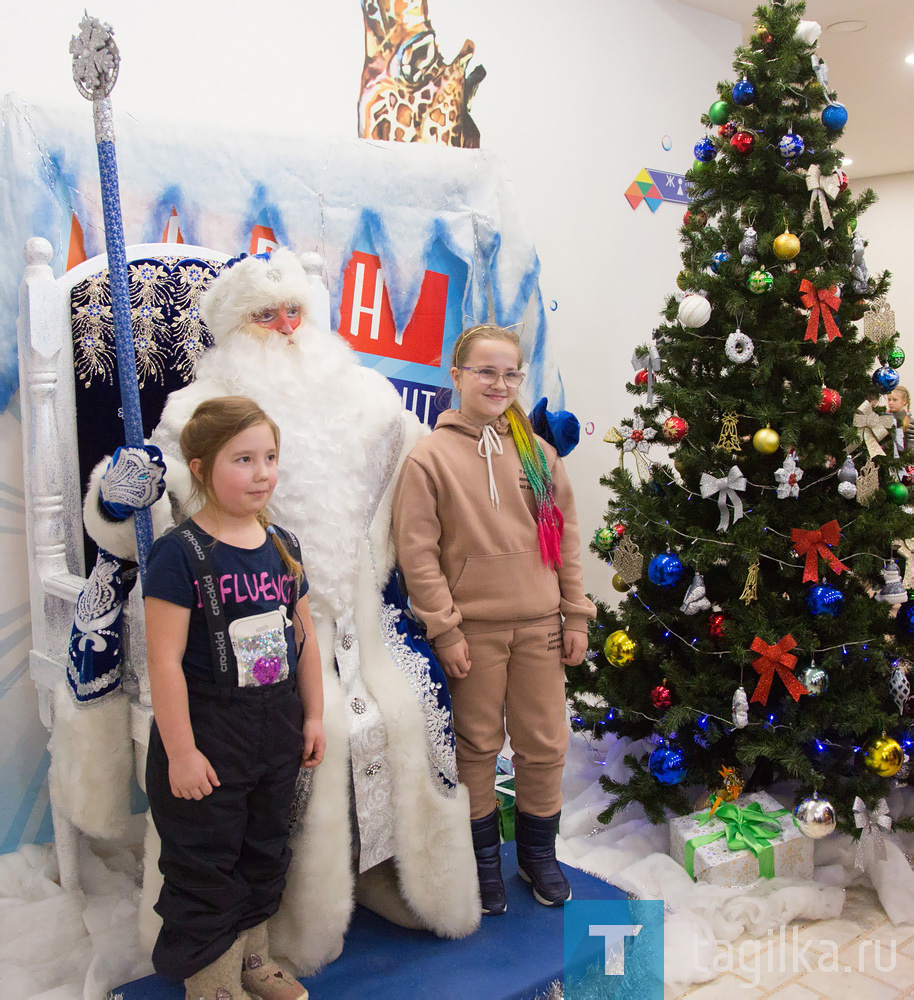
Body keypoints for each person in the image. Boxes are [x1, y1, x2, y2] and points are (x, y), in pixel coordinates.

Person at [82, 249, 479, 973]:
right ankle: (280, 928)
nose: (289, 326)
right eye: (267, 315)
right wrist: (121, 491)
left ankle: (386, 875)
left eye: (296, 310)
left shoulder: (366, 396)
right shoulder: (200, 410)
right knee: (304, 739)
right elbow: (144, 511)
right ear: (236, 326)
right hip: (239, 640)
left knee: (406, 710)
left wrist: (490, 446)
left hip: (357, 618)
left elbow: (424, 470)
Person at [392, 324, 596, 916]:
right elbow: (418, 552)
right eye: (485, 371)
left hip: (541, 626)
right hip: (473, 633)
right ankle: (482, 863)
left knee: (545, 744)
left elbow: (568, 541)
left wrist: (576, 613)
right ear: (455, 376)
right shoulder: (428, 459)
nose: (499, 384)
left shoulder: (539, 455)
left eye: (511, 374)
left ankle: (538, 856)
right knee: (477, 746)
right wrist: (445, 627)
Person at [144, 396, 320, 1000]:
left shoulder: (281, 543)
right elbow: (163, 661)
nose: (262, 472)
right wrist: (182, 752)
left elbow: (305, 637)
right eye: (243, 459)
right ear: (200, 468)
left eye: (269, 457)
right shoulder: (179, 554)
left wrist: (314, 715)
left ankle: (252, 959)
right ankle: (212, 981)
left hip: (275, 729)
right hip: (208, 734)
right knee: (205, 859)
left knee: (265, 847)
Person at [887, 386, 913, 453]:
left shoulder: (910, 422)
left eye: (895, 400)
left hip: (903, 459)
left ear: (904, 401)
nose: (891, 403)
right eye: (889, 400)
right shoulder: (885, 419)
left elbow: (911, 445)